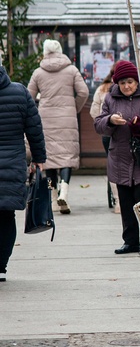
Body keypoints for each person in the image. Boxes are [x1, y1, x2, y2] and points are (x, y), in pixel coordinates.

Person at [94, 61, 140, 255]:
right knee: (127, 204)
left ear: (136, 81)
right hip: (121, 157)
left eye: (130, 82)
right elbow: (99, 124)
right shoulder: (110, 98)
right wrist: (110, 120)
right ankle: (131, 241)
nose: (126, 86)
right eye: (123, 83)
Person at [27, 39, 89, 215]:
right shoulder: (71, 70)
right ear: (61, 51)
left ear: (45, 52)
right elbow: (83, 92)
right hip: (67, 118)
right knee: (67, 158)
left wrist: (37, 111)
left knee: (51, 160)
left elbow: (28, 96)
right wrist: (74, 107)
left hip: (45, 118)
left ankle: (54, 199)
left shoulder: (38, 73)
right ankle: (65, 191)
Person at [0, 57, 46, 282]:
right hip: (12, 164)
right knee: (6, 215)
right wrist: (39, 158)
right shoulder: (19, 92)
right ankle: (1, 264)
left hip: (11, 163)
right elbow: (34, 128)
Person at [91, 68, 121, 214]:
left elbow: (93, 112)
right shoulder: (132, 88)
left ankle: (118, 201)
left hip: (107, 134)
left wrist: (103, 124)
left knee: (113, 163)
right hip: (126, 133)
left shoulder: (102, 89)